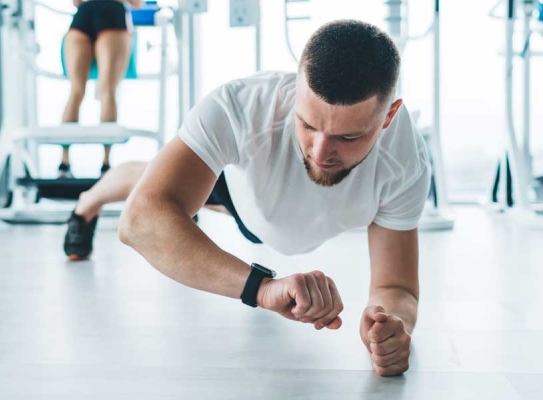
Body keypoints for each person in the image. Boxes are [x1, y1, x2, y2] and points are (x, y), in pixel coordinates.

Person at [64, 20, 430, 377]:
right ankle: (87, 203)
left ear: (389, 115)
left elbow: (395, 287)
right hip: (242, 192)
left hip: (279, 214)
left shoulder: (405, 161)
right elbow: (140, 221)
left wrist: (390, 324)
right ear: (297, 89)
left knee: (163, 192)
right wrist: (263, 289)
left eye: (347, 138)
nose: (320, 153)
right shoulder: (241, 106)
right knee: (149, 183)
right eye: (307, 124)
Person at [58, 0, 145, 178]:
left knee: (79, 91)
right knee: (106, 90)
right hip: (110, 13)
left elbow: (76, 2)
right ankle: (105, 165)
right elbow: (137, 3)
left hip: (86, 14)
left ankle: (64, 164)